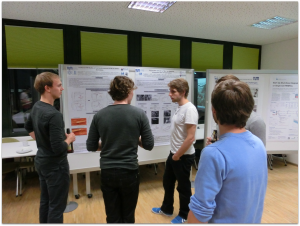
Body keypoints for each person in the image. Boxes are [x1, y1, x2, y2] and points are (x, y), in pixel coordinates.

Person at [188, 79, 268, 223]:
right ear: (249, 109)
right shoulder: (259, 144)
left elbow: (199, 214)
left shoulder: (213, 154)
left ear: (214, 111)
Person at [86, 76, 154, 224]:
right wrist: (131, 139)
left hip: (107, 172)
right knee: (128, 216)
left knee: (112, 216)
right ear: (129, 92)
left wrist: (111, 143)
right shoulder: (139, 114)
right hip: (129, 172)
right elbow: (149, 144)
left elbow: (90, 146)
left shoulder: (99, 115)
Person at [24, 72, 76, 224]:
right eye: (59, 85)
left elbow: (28, 127)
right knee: (57, 207)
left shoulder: (36, 107)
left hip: (42, 162)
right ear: (47, 88)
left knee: (45, 201)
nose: (62, 88)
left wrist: (42, 141)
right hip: (55, 166)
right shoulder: (54, 115)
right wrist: (69, 139)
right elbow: (58, 148)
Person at [151, 78, 198, 224]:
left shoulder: (190, 109)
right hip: (174, 153)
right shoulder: (180, 107)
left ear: (183, 92)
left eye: (173, 91)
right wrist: (174, 154)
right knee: (168, 182)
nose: (170, 94)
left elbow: (190, 138)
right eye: (170, 91)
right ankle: (167, 208)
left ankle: (185, 214)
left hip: (183, 156)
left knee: (183, 187)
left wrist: (177, 155)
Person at [206, 75, 266, 148]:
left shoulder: (256, 121)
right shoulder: (221, 116)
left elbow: (258, 152)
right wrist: (215, 145)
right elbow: (224, 142)